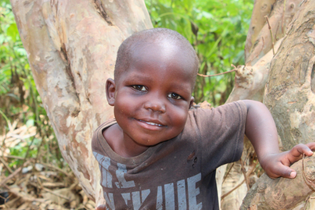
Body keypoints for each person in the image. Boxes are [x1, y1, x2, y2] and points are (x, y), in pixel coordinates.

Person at [92, 28, 315, 210]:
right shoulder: (102, 143)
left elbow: (250, 110)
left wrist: (269, 155)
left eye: (174, 96)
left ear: (189, 107)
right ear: (112, 92)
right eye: (139, 87)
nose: (155, 105)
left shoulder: (197, 133)